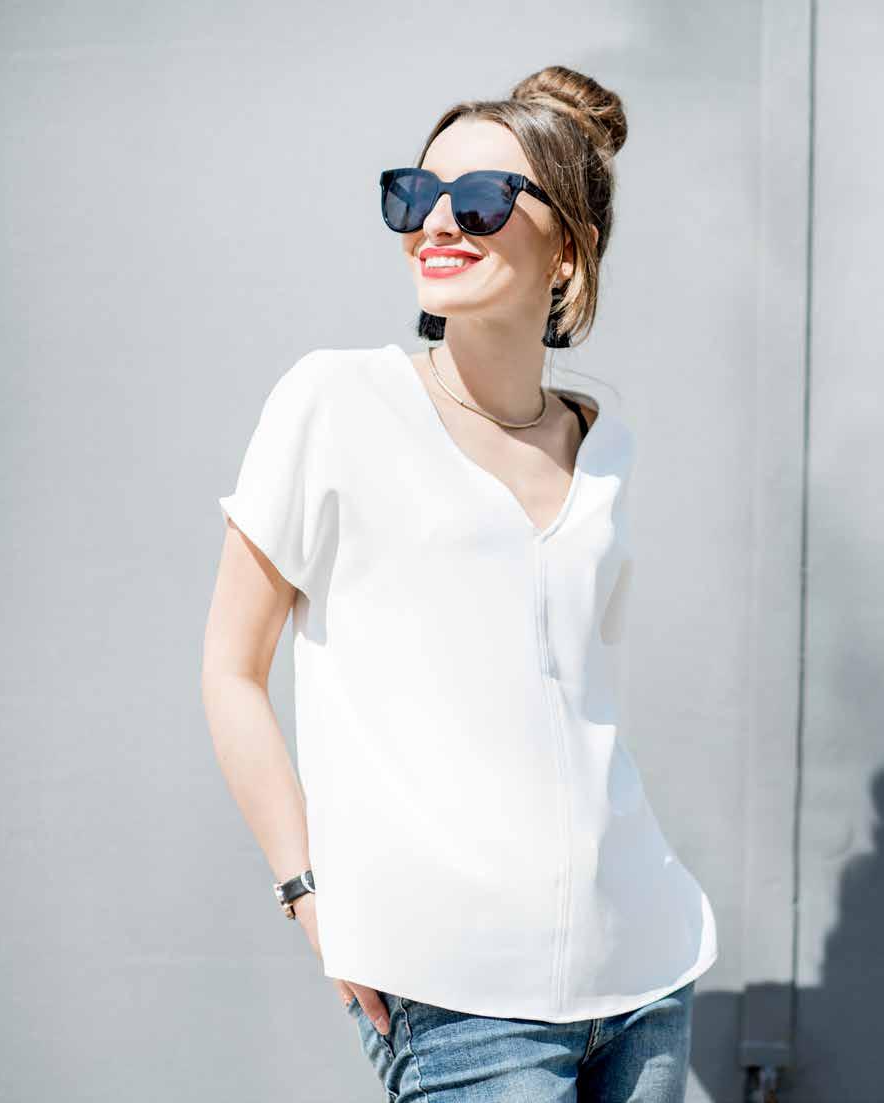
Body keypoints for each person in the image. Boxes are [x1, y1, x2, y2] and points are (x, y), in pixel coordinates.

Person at [202, 64, 718, 1102]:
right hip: (456, 995)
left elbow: (571, 708)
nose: (437, 222)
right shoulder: (334, 402)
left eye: (480, 199)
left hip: (643, 968)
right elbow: (230, 669)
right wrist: (308, 892)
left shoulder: (603, 446)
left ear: (567, 249)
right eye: (415, 194)